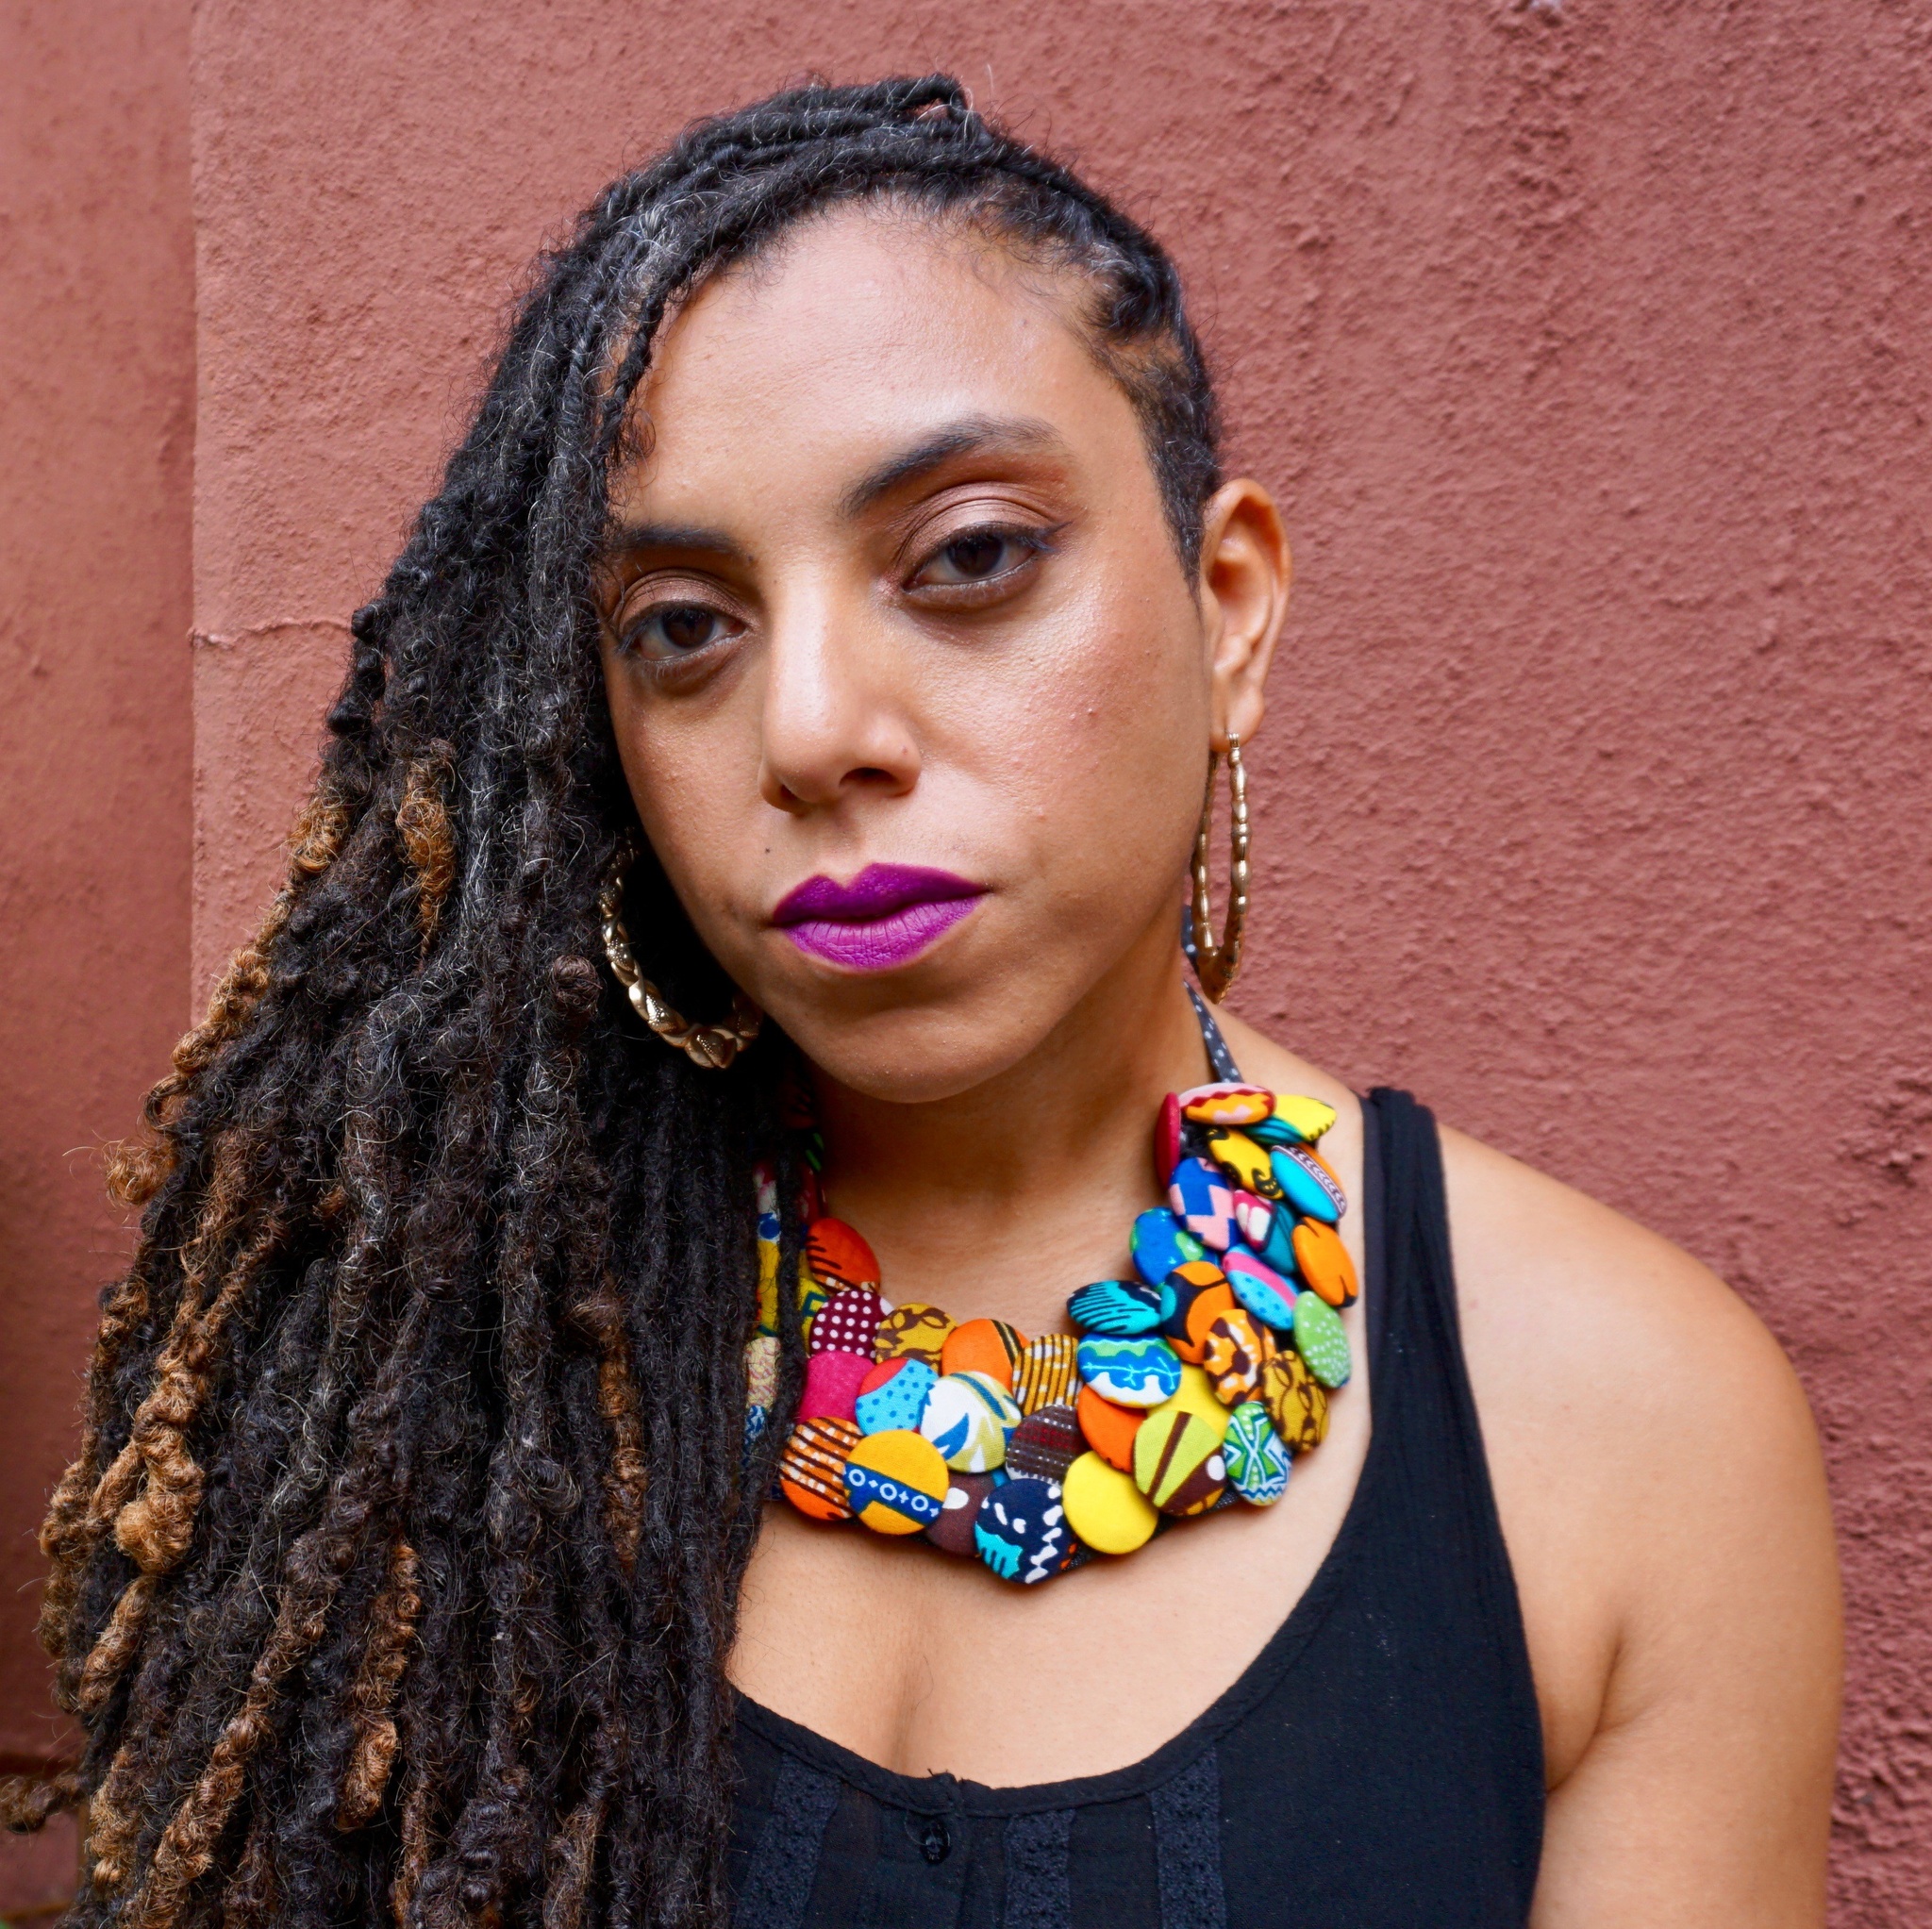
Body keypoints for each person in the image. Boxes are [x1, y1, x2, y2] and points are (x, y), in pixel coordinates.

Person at [4, 75, 1840, 1929]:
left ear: (1228, 611)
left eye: (966, 559)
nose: (808, 732)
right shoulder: (439, 1358)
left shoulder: (1621, 1428)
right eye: (684, 628)